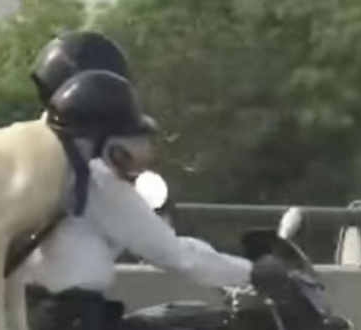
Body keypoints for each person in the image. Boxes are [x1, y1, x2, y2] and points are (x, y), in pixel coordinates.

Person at [21, 68, 253, 330]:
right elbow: (175, 254)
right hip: (75, 318)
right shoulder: (97, 180)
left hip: (38, 314)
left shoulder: (42, 166)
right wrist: (253, 273)